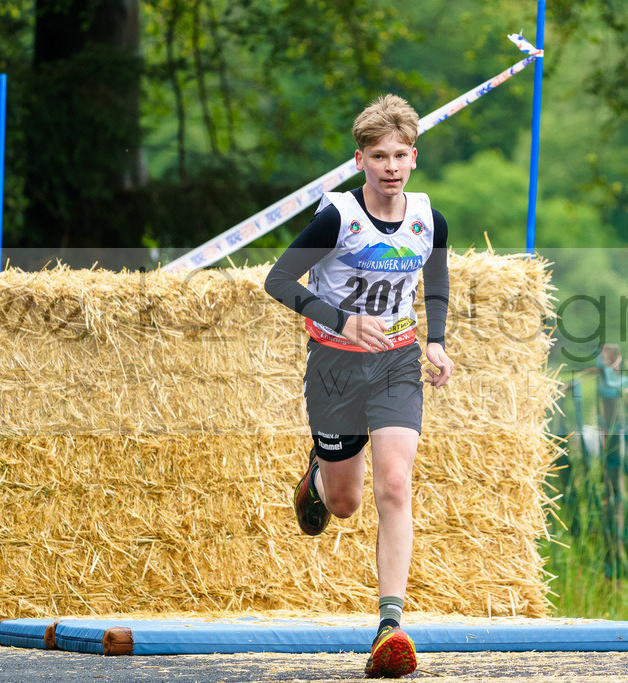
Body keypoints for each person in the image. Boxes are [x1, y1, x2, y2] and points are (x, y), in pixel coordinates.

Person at [264, 93, 454, 678]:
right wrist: (343, 319)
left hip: (396, 363)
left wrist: (436, 340)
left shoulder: (429, 218)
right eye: (379, 156)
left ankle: (390, 625)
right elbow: (277, 279)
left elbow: (437, 279)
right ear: (360, 161)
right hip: (335, 363)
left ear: (414, 158)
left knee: (395, 483)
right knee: (346, 503)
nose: (391, 167)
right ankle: (319, 476)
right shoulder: (338, 218)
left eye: (400, 155)